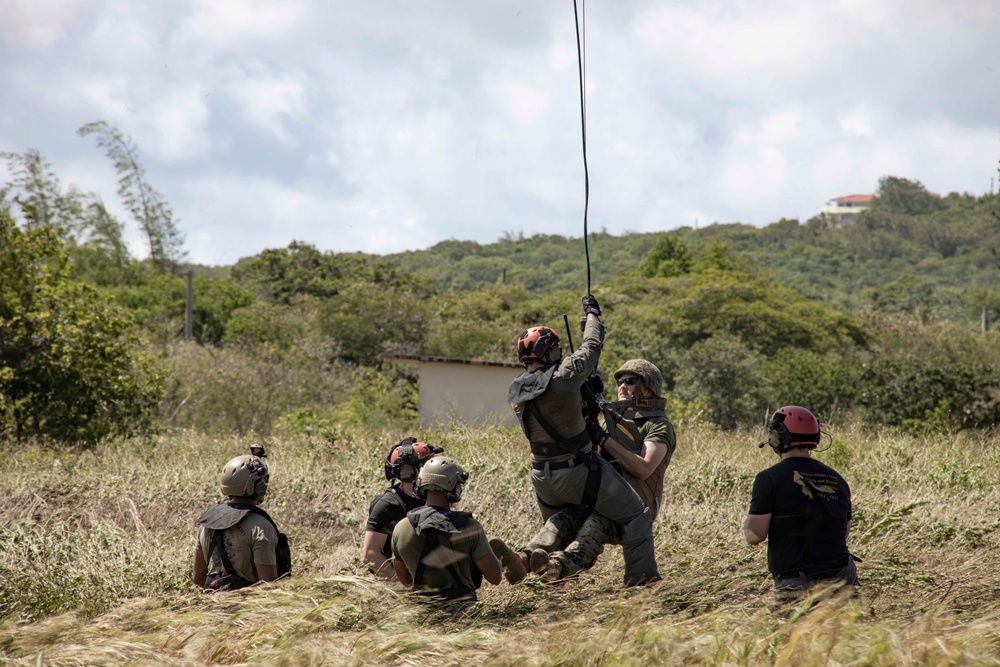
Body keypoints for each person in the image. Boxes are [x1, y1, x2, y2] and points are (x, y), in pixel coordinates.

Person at [505, 295, 661, 586]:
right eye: (557, 350)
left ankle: (527, 558)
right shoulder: (565, 376)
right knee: (636, 515)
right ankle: (643, 581)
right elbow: (592, 345)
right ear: (550, 351)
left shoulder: (517, 392)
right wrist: (592, 315)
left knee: (562, 523)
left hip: (541, 477)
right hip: (577, 471)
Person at [529, 359, 677, 582]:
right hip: (604, 497)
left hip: (635, 507)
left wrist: (603, 439)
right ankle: (525, 556)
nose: (622, 386)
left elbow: (644, 468)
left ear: (648, 389)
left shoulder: (657, 424)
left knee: (594, 526)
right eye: (620, 381)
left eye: (631, 381)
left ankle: (558, 567)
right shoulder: (614, 422)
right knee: (561, 520)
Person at [743, 406, 858, 605]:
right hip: (842, 575)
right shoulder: (837, 479)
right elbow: (844, 532)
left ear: (780, 436)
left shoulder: (768, 478)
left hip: (796, 581)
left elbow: (754, 536)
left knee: (791, 635)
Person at [391, 456, 504, 611]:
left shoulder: (401, 528)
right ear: (454, 488)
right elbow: (495, 578)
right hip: (463, 614)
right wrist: (499, 562)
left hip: (420, 615)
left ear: (420, 486)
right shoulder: (470, 527)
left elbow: (405, 580)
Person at [193, 446, 290, 591]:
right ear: (254, 486)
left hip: (212, 607)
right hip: (249, 609)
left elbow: (198, 578)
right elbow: (268, 586)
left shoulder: (207, 523)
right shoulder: (261, 527)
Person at [362, 437, 442, 579]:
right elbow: (370, 556)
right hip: (399, 584)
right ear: (408, 471)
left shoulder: (434, 496)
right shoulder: (389, 505)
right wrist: (404, 586)